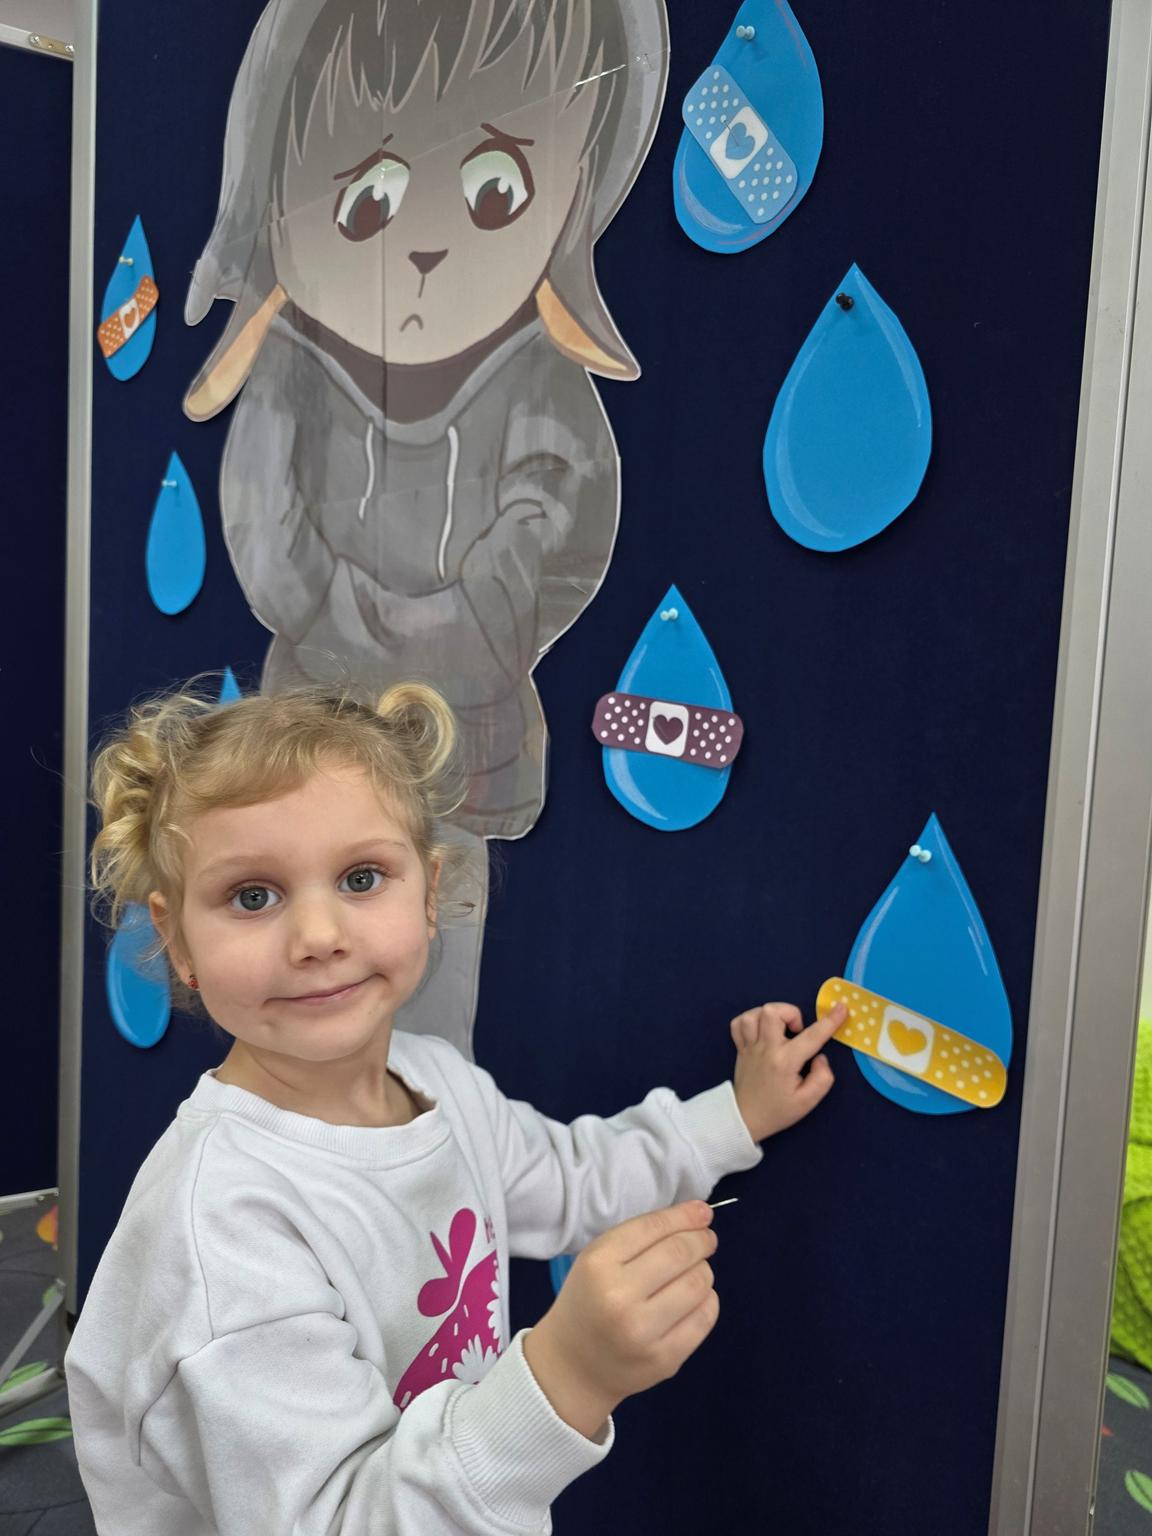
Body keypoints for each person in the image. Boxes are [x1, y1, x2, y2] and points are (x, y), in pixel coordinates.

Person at [64, 677, 846, 1535]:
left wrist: (736, 1116)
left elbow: (572, 1179)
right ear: (176, 938)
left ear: (430, 894)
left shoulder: (438, 1081)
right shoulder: (220, 1231)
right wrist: (569, 1376)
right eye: (253, 896)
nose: (318, 937)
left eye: (362, 877)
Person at [181, 0, 671, 1057]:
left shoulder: (538, 380)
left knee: (430, 992)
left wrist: (439, 627)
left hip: (463, 751)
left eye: (497, 190)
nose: (428, 247)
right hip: (309, 734)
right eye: (368, 200)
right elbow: (267, 530)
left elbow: (560, 528)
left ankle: (416, 1139)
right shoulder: (292, 374)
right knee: (299, 974)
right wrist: (360, 620)